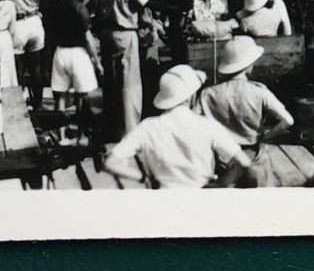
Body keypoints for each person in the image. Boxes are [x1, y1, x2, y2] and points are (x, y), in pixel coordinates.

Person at [102, 65, 252, 189]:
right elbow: (244, 162)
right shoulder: (208, 126)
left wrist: (143, 177)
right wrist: (220, 183)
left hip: (164, 196)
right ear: (191, 96)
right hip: (201, 194)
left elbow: (110, 162)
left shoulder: (147, 127)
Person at [96, 0, 154, 140]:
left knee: (111, 80)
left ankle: (111, 124)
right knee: (129, 81)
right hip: (126, 32)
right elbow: (148, 3)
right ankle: (130, 127)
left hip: (107, 33)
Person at [198, 36, 295, 148]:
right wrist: (265, 138)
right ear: (249, 64)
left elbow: (192, 123)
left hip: (221, 154)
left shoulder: (208, 93)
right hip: (253, 151)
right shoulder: (260, 92)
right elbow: (288, 121)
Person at [43, 0, 99, 112]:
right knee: (81, 96)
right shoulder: (81, 9)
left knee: (60, 96)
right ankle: (81, 134)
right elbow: (88, 38)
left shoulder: (54, 7)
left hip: (60, 52)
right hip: (78, 53)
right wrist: (97, 61)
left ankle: (61, 134)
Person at [7, 0, 52, 107]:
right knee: (36, 67)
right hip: (34, 21)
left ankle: (21, 101)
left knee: (18, 66)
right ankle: (38, 102)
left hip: (17, 24)